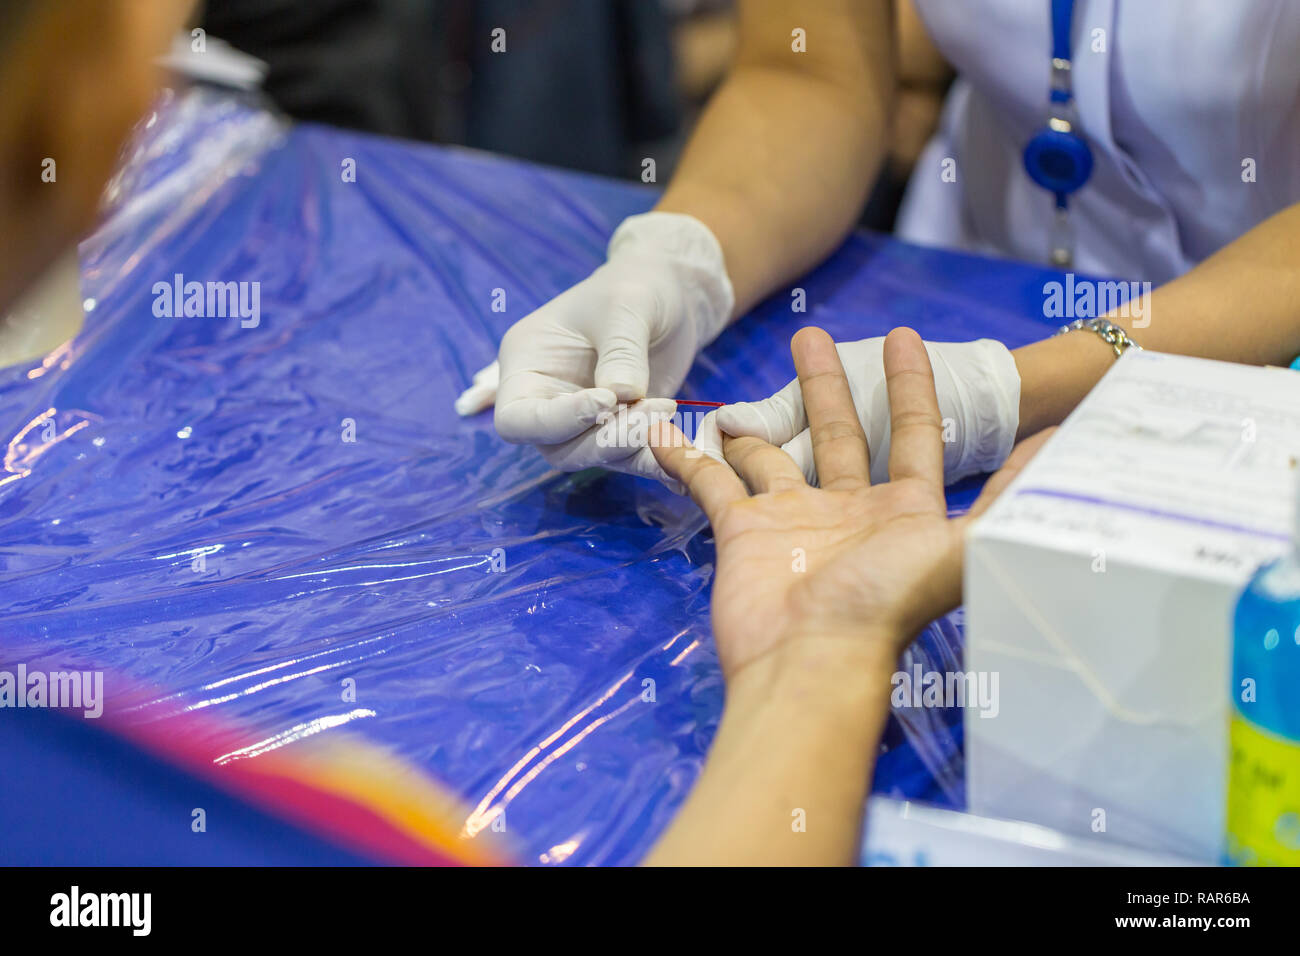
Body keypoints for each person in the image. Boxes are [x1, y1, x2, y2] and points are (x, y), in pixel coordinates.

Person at [457, 0, 1300, 490]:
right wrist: (678, 258)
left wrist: (1009, 392)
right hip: (951, 275)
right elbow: (809, 70)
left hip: (1264, 339)